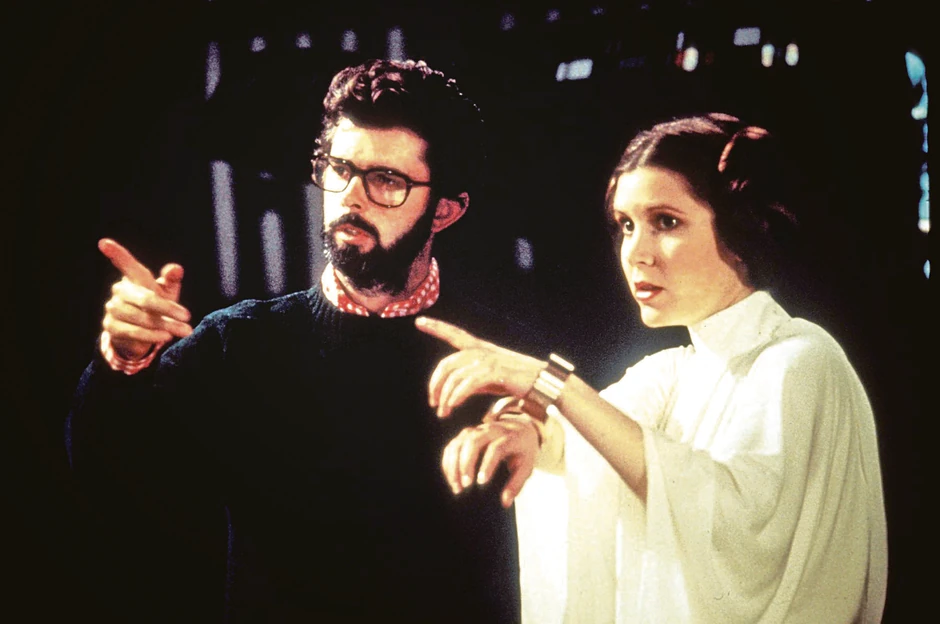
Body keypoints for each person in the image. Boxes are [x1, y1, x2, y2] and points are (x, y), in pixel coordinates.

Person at [66, 58, 524, 623]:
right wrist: (122, 361)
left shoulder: (504, 357)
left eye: (387, 181)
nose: (351, 197)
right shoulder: (239, 344)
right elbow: (103, 474)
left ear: (445, 211)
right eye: (340, 168)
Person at [416, 113, 888, 623]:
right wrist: (525, 430)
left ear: (740, 228)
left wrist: (548, 381)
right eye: (626, 225)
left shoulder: (800, 359)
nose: (636, 253)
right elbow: (581, 445)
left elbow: (734, 533)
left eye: (666, 222)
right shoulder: (672, 371)